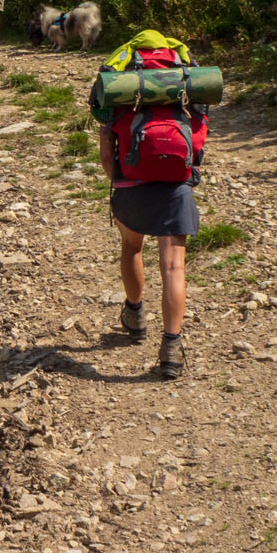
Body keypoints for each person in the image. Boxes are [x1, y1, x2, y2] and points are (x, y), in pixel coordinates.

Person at [90, 30, 205, 380]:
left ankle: (135, 315)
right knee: (173, 267)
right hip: (176, 189)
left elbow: (107, 158)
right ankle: (171, 349)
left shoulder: (122, 98)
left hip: (131, 186)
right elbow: (197, 152)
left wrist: (119, 181)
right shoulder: (188, 99)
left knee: (132, 246)